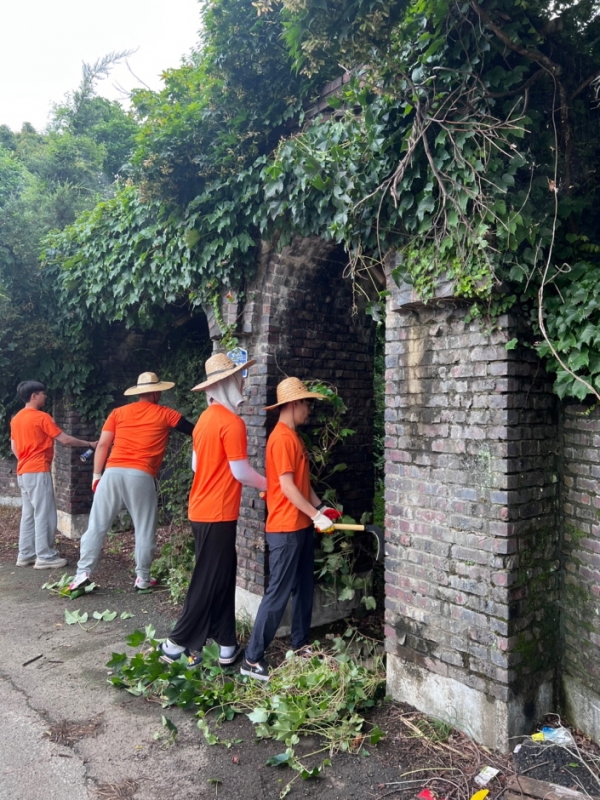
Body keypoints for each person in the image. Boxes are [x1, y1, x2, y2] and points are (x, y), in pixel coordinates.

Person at [158, 353, 267, 669]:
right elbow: (240, 471)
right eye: (239, 377)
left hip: (202, 509)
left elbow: (195, 465)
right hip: (218, 512)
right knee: (207, 579)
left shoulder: (205, 419)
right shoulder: (233, 423)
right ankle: (176, 642)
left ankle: (227, 645)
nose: (243, 382)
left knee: (222, 575)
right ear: (226, 383)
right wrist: (269, 484)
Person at [240, 377, 341, 681]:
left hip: (301, 527)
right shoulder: (281, 438)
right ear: (294, 403)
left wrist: (322, 509)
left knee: (304, 590)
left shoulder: (294, 438)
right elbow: (285, 487)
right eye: (307, 404)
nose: (309, 410)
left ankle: (299, 644)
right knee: (278, 594)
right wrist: (314, 515)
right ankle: (251, 659)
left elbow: (302, 485)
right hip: (285, 529)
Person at [69, 372, 194, 591]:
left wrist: (97, 476)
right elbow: (195, 431)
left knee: (96, 526)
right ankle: (143, 579)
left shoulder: (118, 412)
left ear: (139, 393)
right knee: (144, 528)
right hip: (141, 474)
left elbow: (102, 445)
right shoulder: (166, 413)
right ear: (156, 392)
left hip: (112, 472)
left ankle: (82, 574)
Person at [10, 380, 98, 569]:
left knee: (29, 514)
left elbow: (14, 446)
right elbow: (65, 440)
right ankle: (45, 556)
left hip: (23, 471)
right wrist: (89, 444)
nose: (46, 396)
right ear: (34, 396)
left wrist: (26, 459)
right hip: (38, 470)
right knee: (45, 514)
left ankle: (25, 554)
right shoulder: (41, 417)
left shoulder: (16, 418)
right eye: (43, 393)